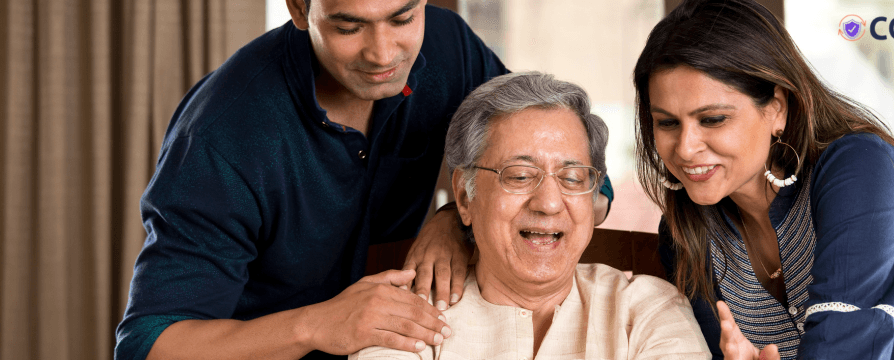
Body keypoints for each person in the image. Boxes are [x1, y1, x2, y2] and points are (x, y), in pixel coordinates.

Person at [114, 1, 614, 359]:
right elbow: (149, 345)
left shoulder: (448, 48)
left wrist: (459, 218)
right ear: (299, 9)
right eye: (349, 26)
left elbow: (587, 187)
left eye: (402, 18)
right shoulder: (221, 135)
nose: (382, 53)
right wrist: (315, 325)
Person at [632, 0, 894, 359]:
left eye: (713, 119)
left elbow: (843, 347)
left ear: (777, 109)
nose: (685, 148)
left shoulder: (862, 170)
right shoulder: (687, 234)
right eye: (667, 123)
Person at [353, 71, 710, 360]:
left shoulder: (645, 310)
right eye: (520, 176)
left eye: (572, 178)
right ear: (464, 196)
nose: (549, 203)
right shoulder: (404, 318)